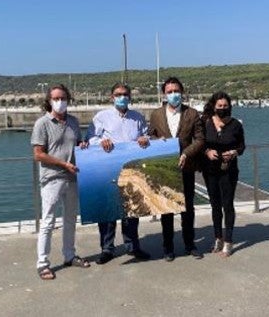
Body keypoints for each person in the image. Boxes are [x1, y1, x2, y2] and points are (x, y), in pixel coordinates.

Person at [86, 83, 152, 264]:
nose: (122, 97)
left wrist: (145, 139)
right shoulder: (101, 117)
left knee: (132, 209)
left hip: (132, 170)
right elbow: (90, 138)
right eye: (118, 94)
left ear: (130, 97)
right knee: (108, 211)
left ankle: (133, 246)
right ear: (111, 97)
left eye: (125, 94)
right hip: (108, 168)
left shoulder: (137, 117)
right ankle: (107, 249)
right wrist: (101, 141)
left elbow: (146, 137)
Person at [31, 84, 90, 280]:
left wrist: (82, 145)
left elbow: (78, 145)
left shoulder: (73, 121)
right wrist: (63, 164)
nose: (60, 101)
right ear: (48, 101)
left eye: (63, 98)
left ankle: (69, 255)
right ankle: (42, 263)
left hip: (72, 178)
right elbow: (38, 154)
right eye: (56, 98)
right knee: (48, 222)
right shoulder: (42, 123)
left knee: (70, 220)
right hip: (52, 179)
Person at [148, 77, 205, 261]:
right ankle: (168, 247)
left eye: (176, 91)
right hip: (166, 168)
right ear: (164, 93)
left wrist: (186, 154)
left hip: (186, 167)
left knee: (188, 208)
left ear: (182, 92)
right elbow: (150, 136)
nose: (173, 94)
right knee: (167, 209)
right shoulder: (156, 114)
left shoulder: (193, 113)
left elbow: (200, 139)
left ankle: (190, 244)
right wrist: (157, 142)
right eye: (170, 91)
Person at [200, 91, 245, 257]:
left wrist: (234, 152)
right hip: (210, 170)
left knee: (228, 205)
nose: (222, 108)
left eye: (225, 106)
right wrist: (207, 152)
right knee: (215, 205)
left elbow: (242, 147)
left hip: (229, 170)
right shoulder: (206, 122)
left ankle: (228, 241)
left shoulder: (235, 125)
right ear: (214, 106)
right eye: (219, 106)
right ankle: (218, 238)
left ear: (229, 107)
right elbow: (200, 142)